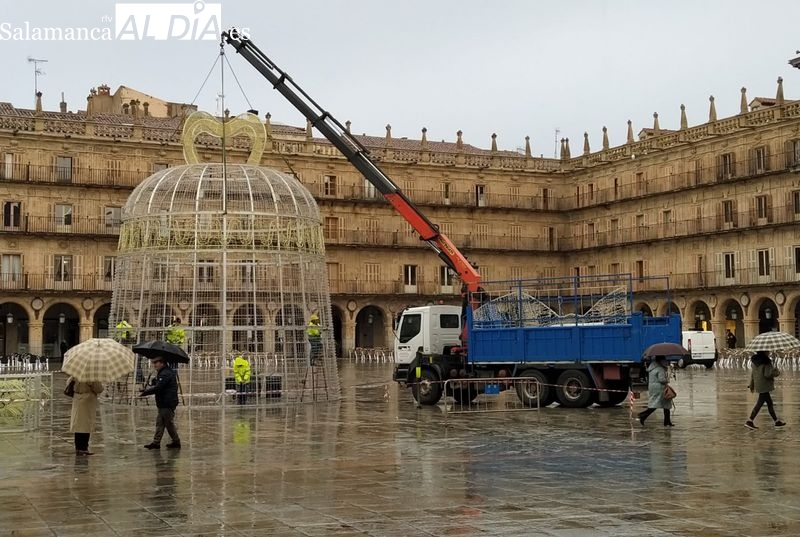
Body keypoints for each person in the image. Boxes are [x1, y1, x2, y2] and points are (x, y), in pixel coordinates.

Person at [139, 357, 181, 449]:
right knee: (160, 423)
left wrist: (145, 392)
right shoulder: (163, 372)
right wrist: (154, 382)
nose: (154, 365)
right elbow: (159, 385)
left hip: (167, 402)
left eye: (156, 363)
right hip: (163, 402)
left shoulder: (165, 373)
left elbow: (159, 388)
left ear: (162, 363)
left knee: (168, 424)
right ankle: (156, 442)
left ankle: (176, 441)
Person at [745, 351, 786, 429]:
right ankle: (749, 421)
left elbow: (753, 374)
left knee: (770, 403)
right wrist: (776, 371)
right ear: (764, 352)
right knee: (759, 403)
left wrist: (752, 385)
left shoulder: (754, 361)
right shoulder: (766, 362)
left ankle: (776, 421)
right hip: (765, 385)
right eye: (767, 351)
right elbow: (768, 374)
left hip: (759, 384)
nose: (769, 352)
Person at [68, 377, 104, 455]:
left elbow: (68, 383)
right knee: (86, 425)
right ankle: (83, 447)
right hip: (87, 400)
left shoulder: (76, 374)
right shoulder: (91, 375)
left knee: (78, 425)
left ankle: (79, 447)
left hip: (77, 399)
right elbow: (99, 389)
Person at [638, 356, 674, 427]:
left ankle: (667, 422)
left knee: (664, 404)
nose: (665, 362)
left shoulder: (652, 368)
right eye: (664, 360)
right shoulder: (660, 369)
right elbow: (661, 380)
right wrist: (667, 379)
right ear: (660, 361)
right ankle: (643, 415)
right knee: (657, 404)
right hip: (660, 389)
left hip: (653, 388)